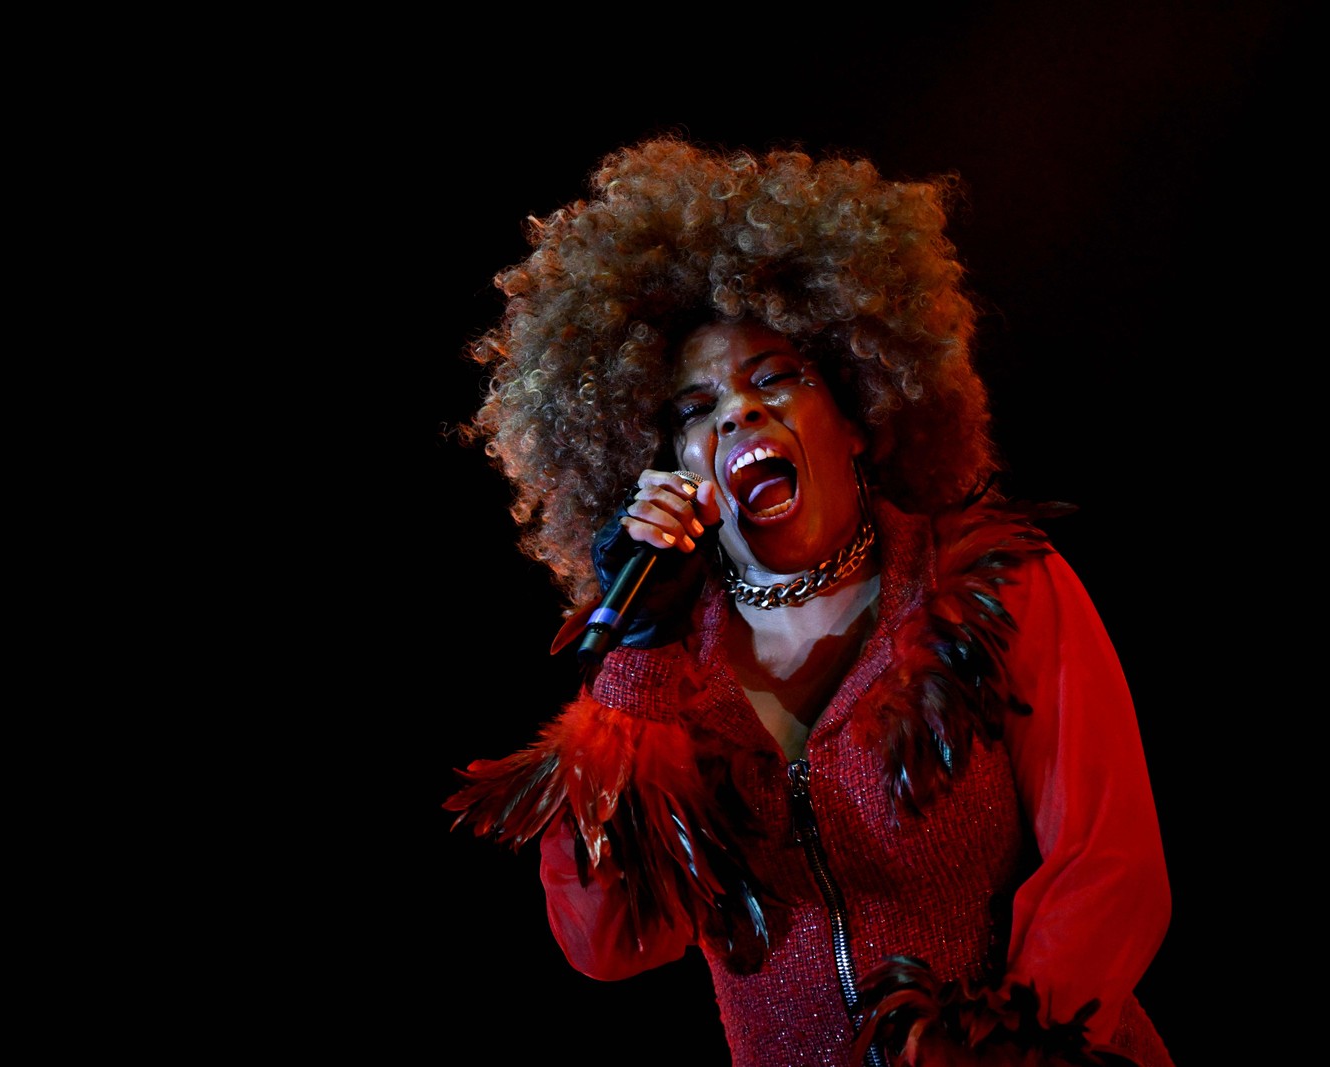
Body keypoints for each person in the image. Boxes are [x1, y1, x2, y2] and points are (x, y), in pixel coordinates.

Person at [443, 135, 1175, 1067]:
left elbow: (1112, 872)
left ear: (860, 413)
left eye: (774, 377)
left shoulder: (1000, 585)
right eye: (693, 407)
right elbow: (610, 939)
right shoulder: (668, 667)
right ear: (667, 461)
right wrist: (634, 645)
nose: (737, 414)